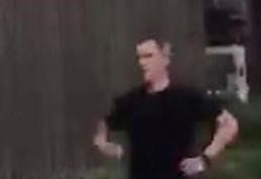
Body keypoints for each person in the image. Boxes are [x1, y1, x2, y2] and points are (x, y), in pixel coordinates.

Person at [93, 37, 239, 178]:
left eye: (148, 56)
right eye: (140, 57)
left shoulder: (186, 97)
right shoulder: (130, 101)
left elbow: (229, 124)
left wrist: (206, 158)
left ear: (165, 59)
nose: (142, 63)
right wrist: (105, 145)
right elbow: (103, 126)